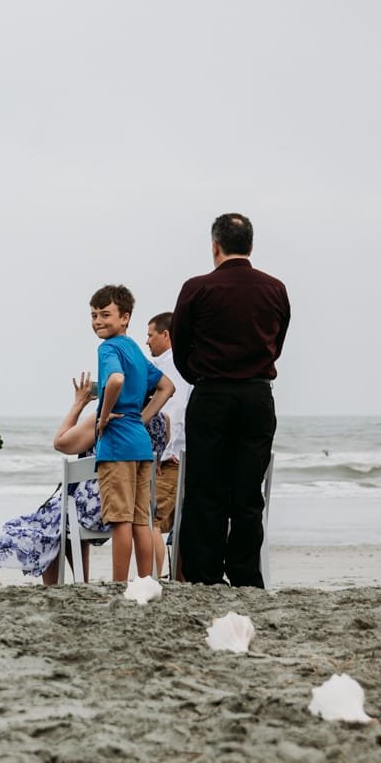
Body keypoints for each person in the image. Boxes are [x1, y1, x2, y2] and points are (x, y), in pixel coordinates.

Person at [171, 213, 290, 588]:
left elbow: (180, 343)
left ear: (215, 246)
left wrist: (199, 376)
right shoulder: (275, 288)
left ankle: (205, 573)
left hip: (211, 393)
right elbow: (278, 341)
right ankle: (244, 572)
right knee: (248, 488)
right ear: (250, 246)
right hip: (257, 395)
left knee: (206, 486)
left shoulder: (197, 287)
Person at [0, 374, 109, 584]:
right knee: (61, 517)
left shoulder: (102, 418)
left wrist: (78, 403)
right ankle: (81, 580)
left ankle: (52, 586)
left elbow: (61, 443)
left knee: (48, 525)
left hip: (93, 508)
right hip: (125, 503)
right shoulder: (158, 420)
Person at [90, 285, 173, 581]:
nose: (98, 321)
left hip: (118, 444)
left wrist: (102, 417)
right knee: (141, 519)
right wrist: (142, 417)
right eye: (94, 315)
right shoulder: (136, 350)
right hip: (140, 443)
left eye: (105, 315)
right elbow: (167, 387)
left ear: (125, 318)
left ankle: (119, 583)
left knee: (120, 519)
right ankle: (146, 580)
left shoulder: (109, 348)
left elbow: (114, 379)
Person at [144, 312, 189, 577]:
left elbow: (175, 411)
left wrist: (163, 452)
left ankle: (152, 579)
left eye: (150, 335)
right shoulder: (168, 365)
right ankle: (168, 577)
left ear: (166, 335)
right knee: (164, 522)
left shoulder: (174, 366)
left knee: (153, 521)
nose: (147, 342)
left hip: (168, 460)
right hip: (172, 455)